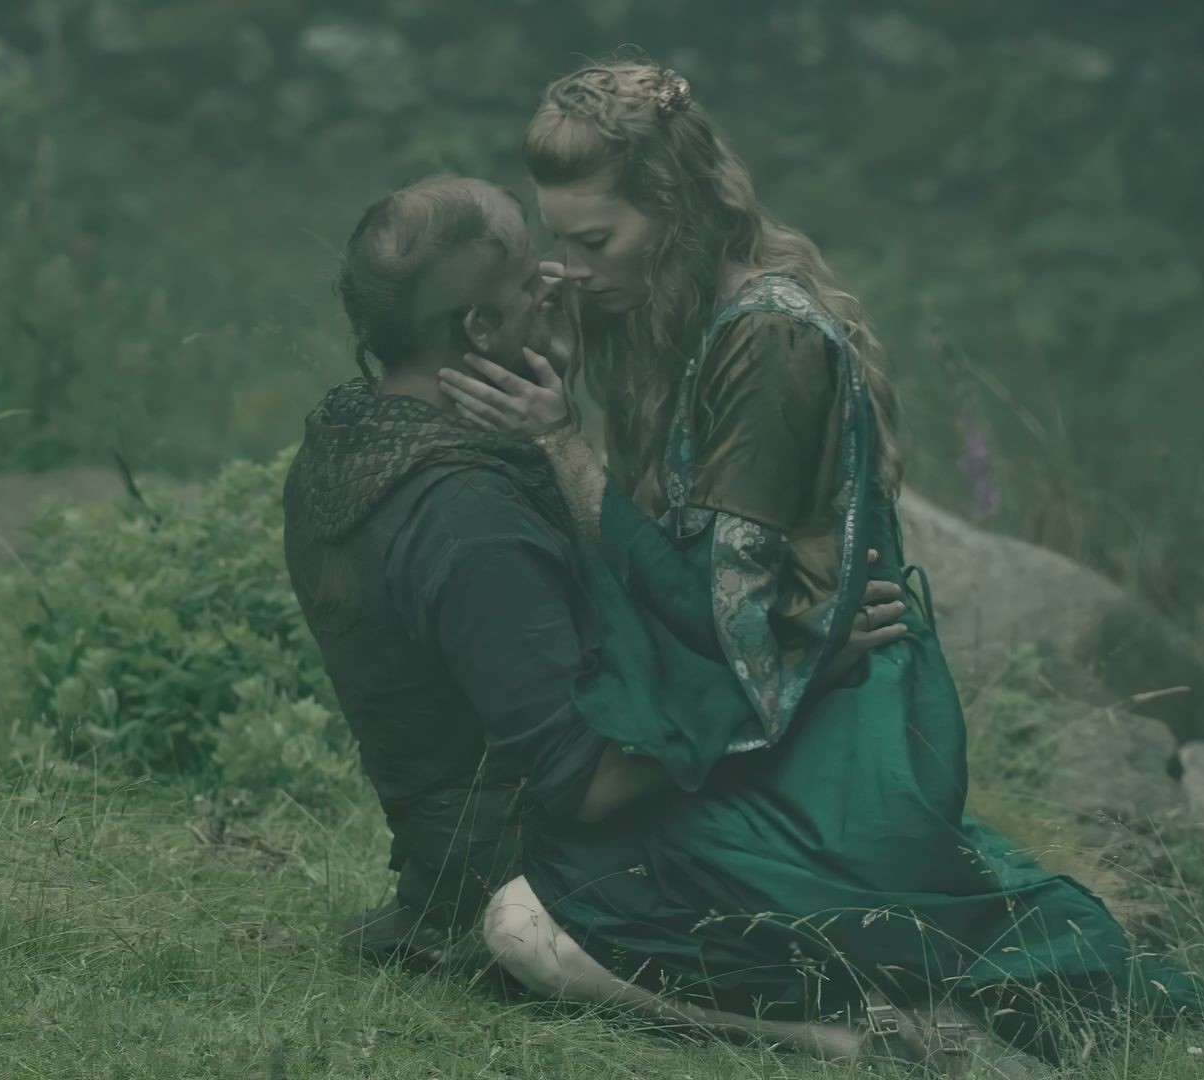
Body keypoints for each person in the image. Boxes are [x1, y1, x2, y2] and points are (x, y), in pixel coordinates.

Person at [432, 61, 1204, 1065]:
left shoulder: (767, 341)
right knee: (558, 856)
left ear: (675, 213)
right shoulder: (670, 315)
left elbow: (717, 617)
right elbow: (709, 592)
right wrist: (568, 364)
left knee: (563, 899)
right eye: (560, 241)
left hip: (842, 725)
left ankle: (863, 1031)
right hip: (782, 692)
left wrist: (563, 447)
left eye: (595, 242)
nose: (571, 269)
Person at [286, 175, 919, 1064]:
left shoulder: (357, 437)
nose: (558, 284)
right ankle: (840, 1038)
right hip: (540, 874)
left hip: (466, 851)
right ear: (477, 328)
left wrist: (551, 399)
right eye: (528, 280)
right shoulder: (466, 518)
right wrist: (798, 672)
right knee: (879, 878)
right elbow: (586, 783)